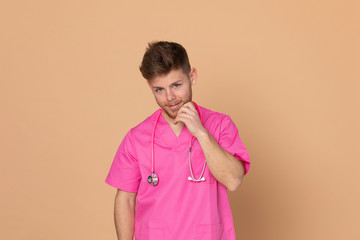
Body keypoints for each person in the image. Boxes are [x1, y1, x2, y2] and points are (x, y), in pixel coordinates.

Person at [105, 41, 251, 240]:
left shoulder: (219, 125)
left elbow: (233, 180)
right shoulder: (136, 138)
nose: (170, 97)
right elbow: (125, 199)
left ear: (192, 77)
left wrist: (201, 133)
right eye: (159, 90)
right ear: (149, 86)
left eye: (176, 85)